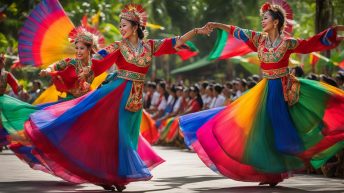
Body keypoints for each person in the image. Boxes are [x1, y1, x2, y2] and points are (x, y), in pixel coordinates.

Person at [23, 4, 210, 192]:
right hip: (116, 93)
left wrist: (196, 31)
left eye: (124, 25)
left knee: (128, 136)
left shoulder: (150, 46)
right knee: (116, 135)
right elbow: (99, 58)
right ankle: (109, 175)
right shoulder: (118, 46)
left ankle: (115, 176)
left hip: (136, 97)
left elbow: (175, 42)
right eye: (120, 26)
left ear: (135, 27)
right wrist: (86, 69)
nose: (121, 29)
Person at [180, 2, 344, 187]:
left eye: (265, 18)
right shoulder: (259, 40)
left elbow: (310, 43)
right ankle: (270, 174)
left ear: (276, 22)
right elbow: (237, 31)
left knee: (282, 132)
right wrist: (217, 25)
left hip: (284, 90)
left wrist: (333, 31)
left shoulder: (288, 42)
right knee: (263, 131)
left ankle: (288, 166)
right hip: (265, 89)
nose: (262, 21)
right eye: (262, 18)